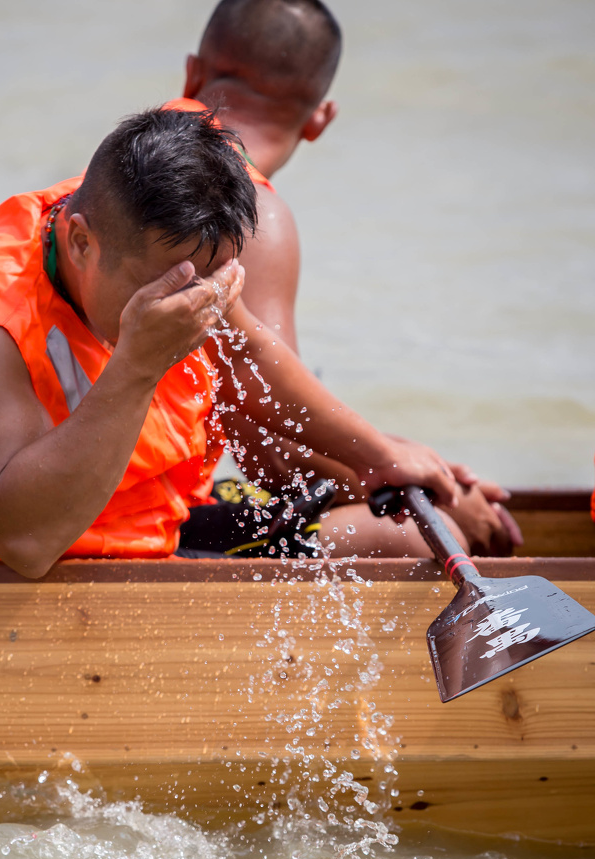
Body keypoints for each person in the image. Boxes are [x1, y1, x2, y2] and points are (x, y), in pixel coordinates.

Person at [0, 106, 458, 578]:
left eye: (216, 280)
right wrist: (137, 365)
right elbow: (27, 543)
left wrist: (379, 456)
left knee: (419, 531)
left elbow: (248, 352)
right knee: (397, 545)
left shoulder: (170, 235)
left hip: (153, 526)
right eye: (172, 287)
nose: (196, 305)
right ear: (80, 243)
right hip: (23, 579)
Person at [178, 0, 522, 558]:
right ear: (320, 119)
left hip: (75, 490)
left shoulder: (133, 173)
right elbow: (275, 450)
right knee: (418, 541)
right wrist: (429, 487)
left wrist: (405, 458)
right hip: (125, 525)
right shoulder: (251, 212)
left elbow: (260, 416)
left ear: (193, 74)